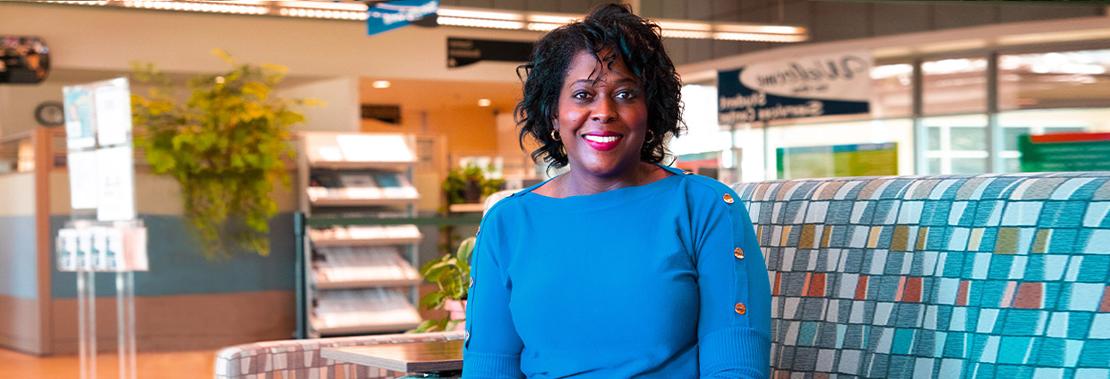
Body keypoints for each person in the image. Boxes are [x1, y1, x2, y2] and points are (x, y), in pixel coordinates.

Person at [462, 4, 771, 378]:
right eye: (582, 95)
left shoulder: (705, 208)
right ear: (553, 115)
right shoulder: (508, 222)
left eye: (625, 95)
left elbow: (735, 368)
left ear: (650, 111)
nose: (604, 111)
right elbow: (488, 368)